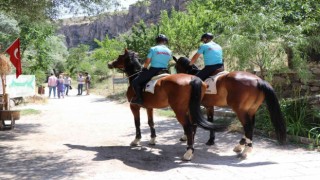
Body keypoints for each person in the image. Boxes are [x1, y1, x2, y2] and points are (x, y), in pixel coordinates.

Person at [131, 34, 172, 106]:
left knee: (135, 82)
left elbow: (147, 61)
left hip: (154, 70)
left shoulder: (153, 49)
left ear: (157, 41)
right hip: (165, 70)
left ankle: (139, 99)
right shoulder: (169, 51)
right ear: (165, 41)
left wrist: (144, 68)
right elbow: (168, 61)